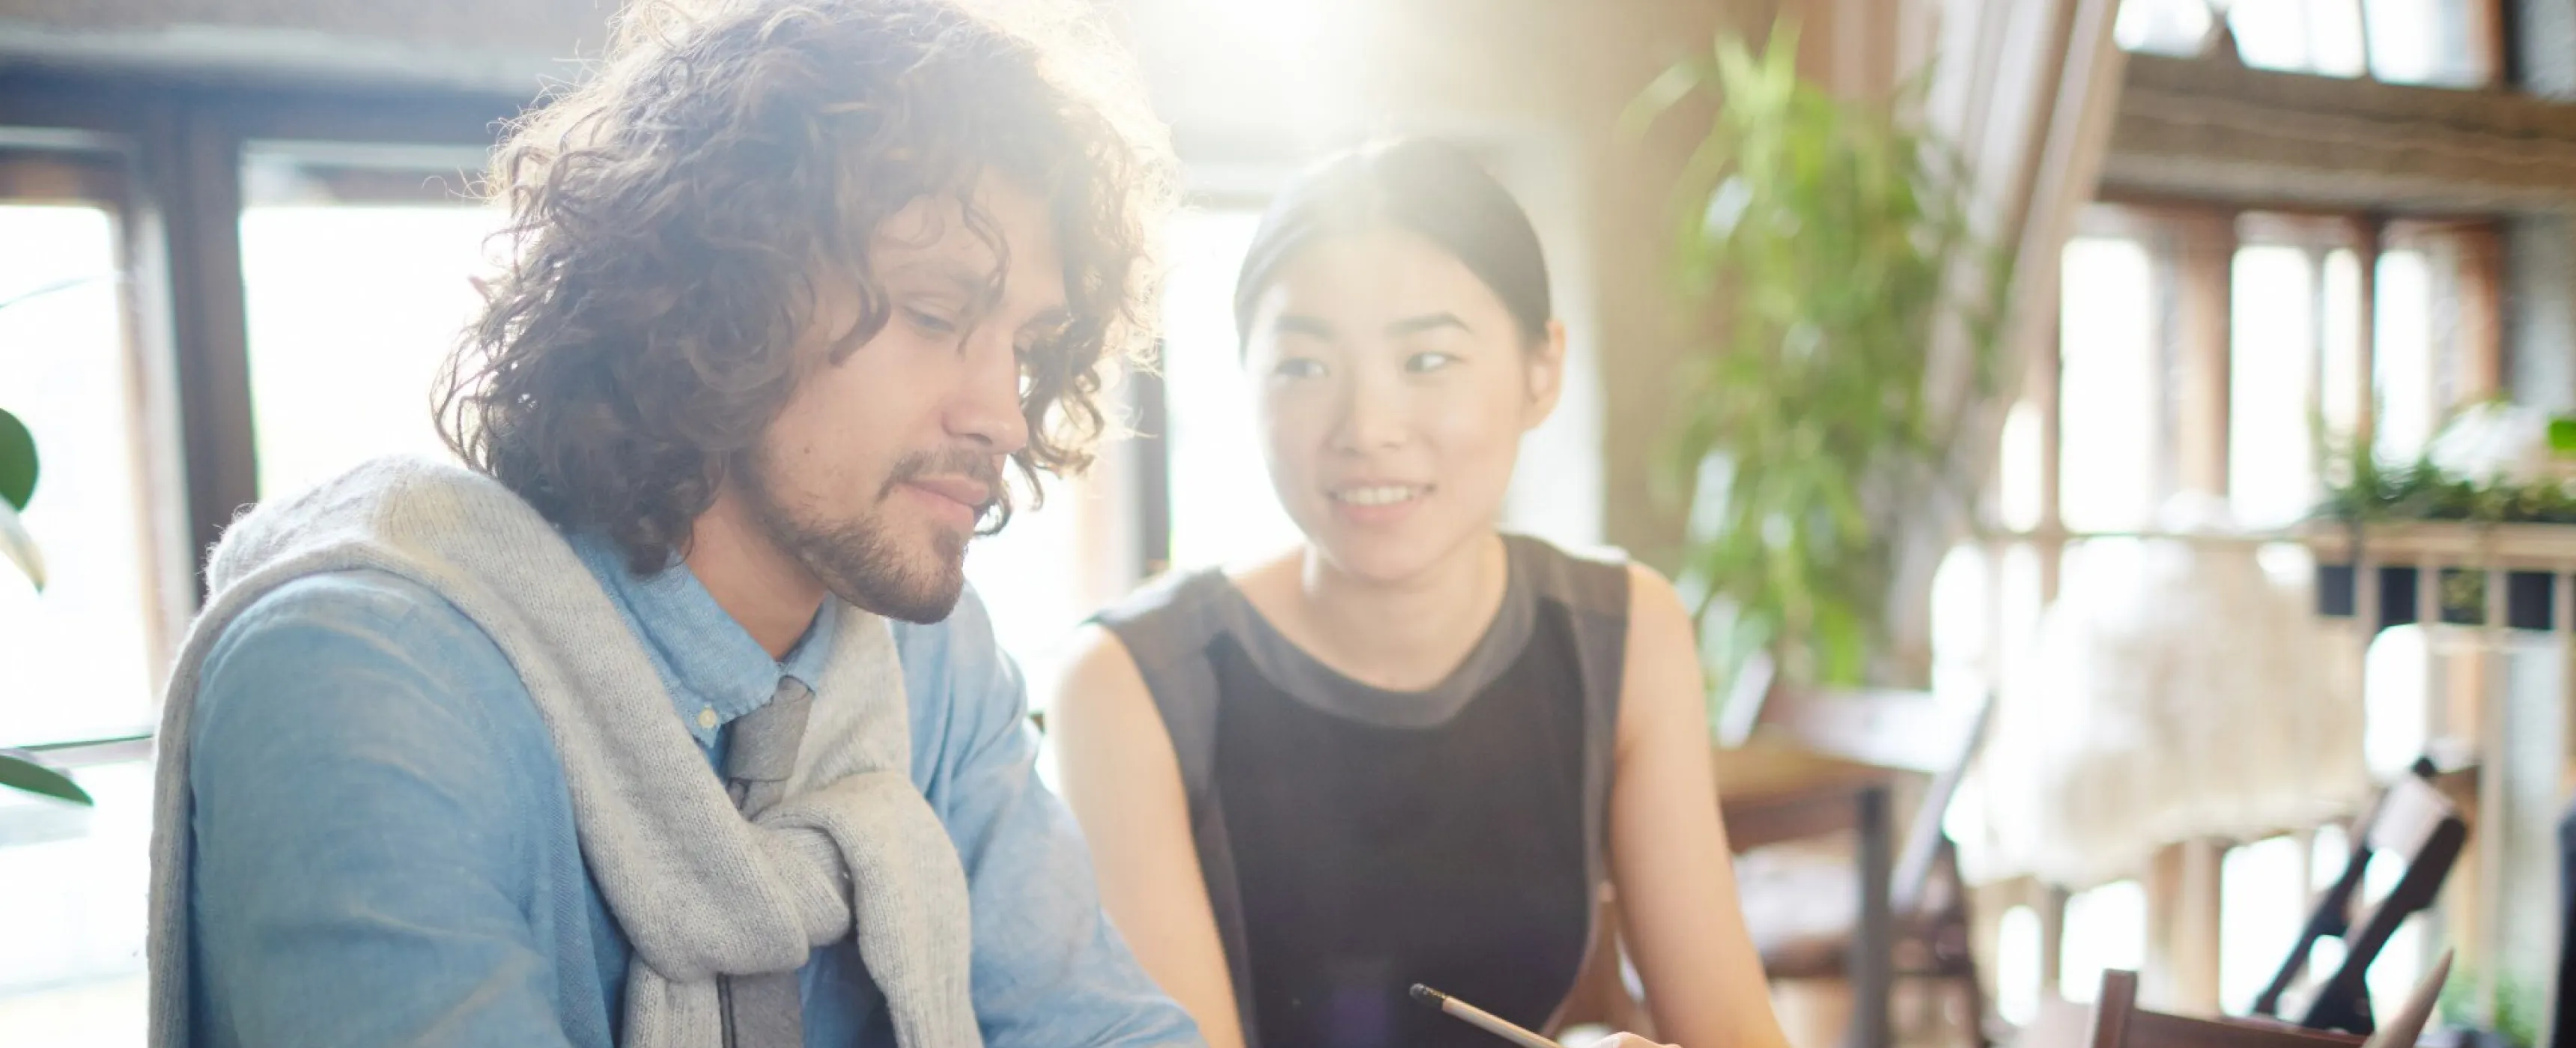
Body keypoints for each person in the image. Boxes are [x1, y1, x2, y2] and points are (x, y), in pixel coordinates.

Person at [145, 1, 1200, 1045]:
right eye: (933, 315)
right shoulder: (364, 670)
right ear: (718, 294)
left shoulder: (935, 663)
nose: (1004, 416)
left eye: (1023, 347)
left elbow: (1096, 1026)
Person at [1050, 139, 1795, 1048]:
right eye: (1303, 366)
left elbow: (1729, 1027)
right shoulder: (1131, 683)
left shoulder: (1621, 630)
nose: (1368, 428)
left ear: (1540, 371)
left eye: (1429, 359)